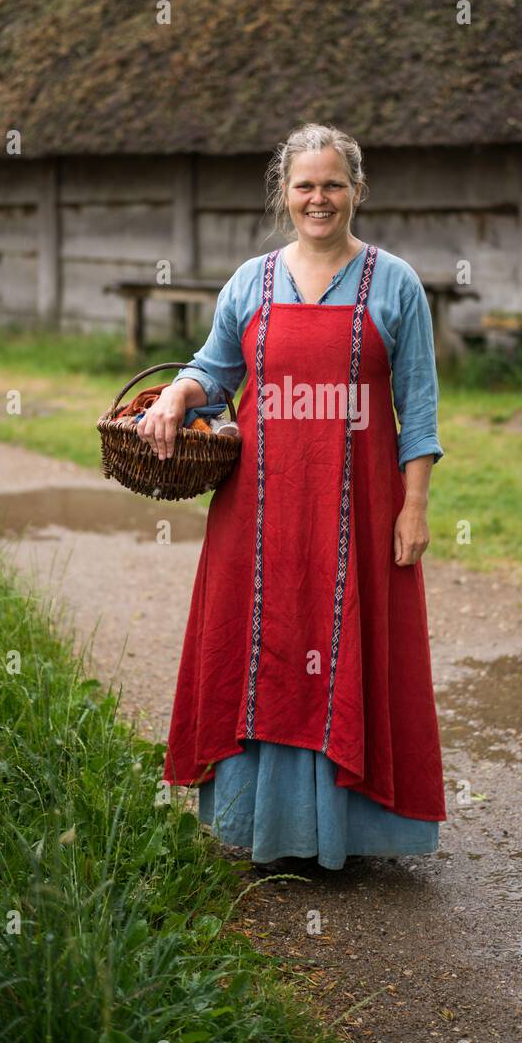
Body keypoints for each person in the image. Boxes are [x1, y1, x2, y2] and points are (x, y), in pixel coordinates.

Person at [137, 122, 446, 870]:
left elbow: (419, 409)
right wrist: (178, 394)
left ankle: (346, 833)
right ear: (284, 192)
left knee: (348, 643)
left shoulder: (395, 282)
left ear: (356, 192)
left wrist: (413, 506)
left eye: (332, 184)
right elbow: (214, 370)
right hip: (258, 512)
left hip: (360, 511)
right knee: (260, 648)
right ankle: (263, 825)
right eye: (304, 185)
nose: (318, 198)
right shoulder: (251, 281)